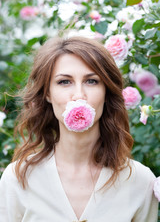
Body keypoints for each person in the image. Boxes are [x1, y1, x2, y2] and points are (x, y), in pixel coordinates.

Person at [0, 36, 158, 222]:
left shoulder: (140, 181)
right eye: (64, 82)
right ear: (47, 94)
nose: (79, 95)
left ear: (106, 92)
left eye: (91, 81)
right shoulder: (17, 179)